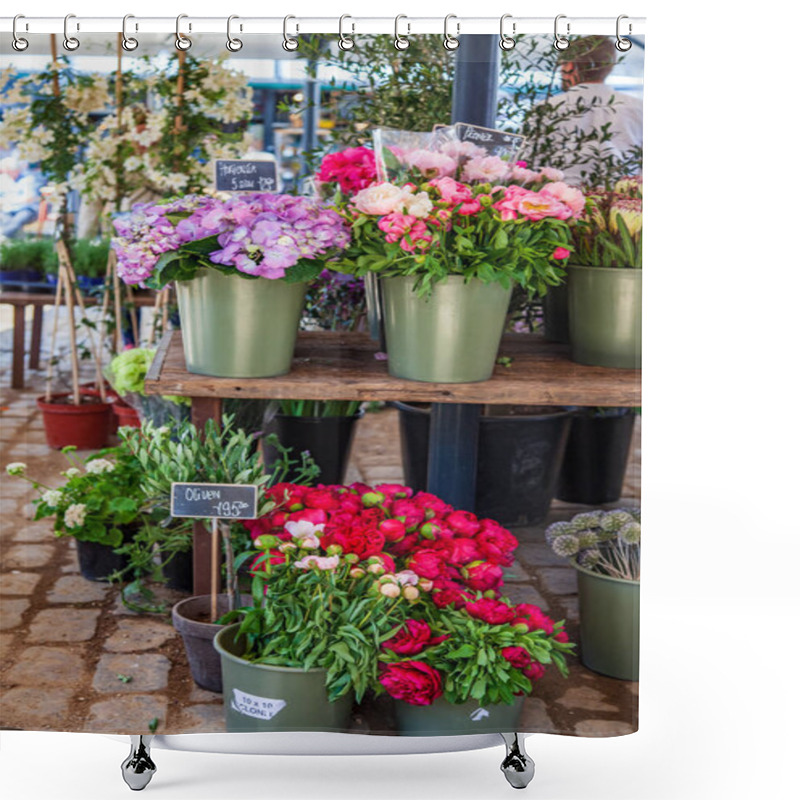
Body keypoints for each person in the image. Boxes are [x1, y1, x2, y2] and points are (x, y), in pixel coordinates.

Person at [535, 36, 643, 186]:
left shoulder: (546, 109)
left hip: (559, 203)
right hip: (620, 202)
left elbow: (529, 166)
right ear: (609, 67)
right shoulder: (639, 108)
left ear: (570, 66)